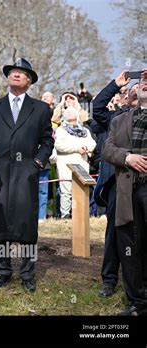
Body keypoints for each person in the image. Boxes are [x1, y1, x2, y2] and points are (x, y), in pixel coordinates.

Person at [0, 58, 54, 292]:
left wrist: (37, 162)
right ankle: (3, 271)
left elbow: (46, 141)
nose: (16, 75)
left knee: (26, 223)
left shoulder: (41, 109)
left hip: (27, 173)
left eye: (22, 73)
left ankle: (27, 273)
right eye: (12, 71)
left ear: (29, 81)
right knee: (1, 221)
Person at [102, 70, 147, 316]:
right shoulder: (120, 120)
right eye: (143, 82)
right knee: (130, 245)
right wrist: (127, 157)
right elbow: (107, 149)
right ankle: (137, 302)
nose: (145, 84)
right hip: (128, 191)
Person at [92, 70, 136, 297]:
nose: (133, 93)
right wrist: (115, 85)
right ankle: (109, 280)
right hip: (116, 184)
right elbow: (97, 107)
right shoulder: (114, 118)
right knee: (114, 233)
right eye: (129, 92)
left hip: (142, 185)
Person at [54, 107, 97, 218]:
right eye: (67, 112)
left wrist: (86, 148)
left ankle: (80, 215)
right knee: (66, 191)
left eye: (72, 111)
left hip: (82, 163)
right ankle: (65, 215)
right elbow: (59, 145)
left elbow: (92, 143)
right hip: (66, 164)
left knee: (81, 190)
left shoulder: (85, 130)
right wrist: (77, 148)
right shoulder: (61, 130)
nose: (69, 113)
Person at [39, 92, 55, 221]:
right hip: (29, 162)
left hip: (44, 163)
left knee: (43, 192)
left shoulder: (48, 126)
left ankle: (42, 217)